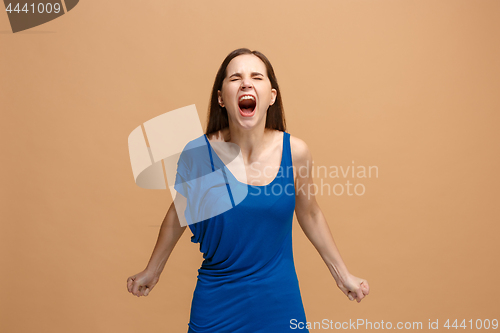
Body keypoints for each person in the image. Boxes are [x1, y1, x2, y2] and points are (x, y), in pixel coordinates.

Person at [127, 48, 370, 332]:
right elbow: (179, 212)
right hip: (216, 308)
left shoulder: (295, 152)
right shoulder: (199, 155)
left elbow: (311, 213)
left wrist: (342, 276)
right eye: (235, 78)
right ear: (221, 98)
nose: (246, 83)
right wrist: (152, 270)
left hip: (280, 305)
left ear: (272, 96)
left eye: (257, 77)